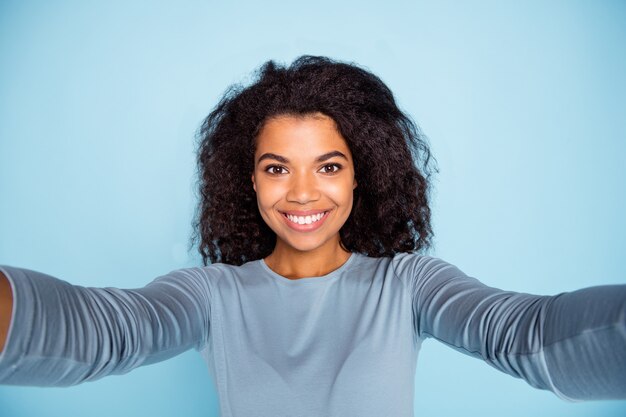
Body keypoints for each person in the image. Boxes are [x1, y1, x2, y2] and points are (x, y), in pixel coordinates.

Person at [0, 56, 625, 417]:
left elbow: (529, 334)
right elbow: (106, 330)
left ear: (361, 176)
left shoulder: (409, 284)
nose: (302, 193)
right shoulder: (211, 295)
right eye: (278, 168)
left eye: (328, 166)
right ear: (248, 180)